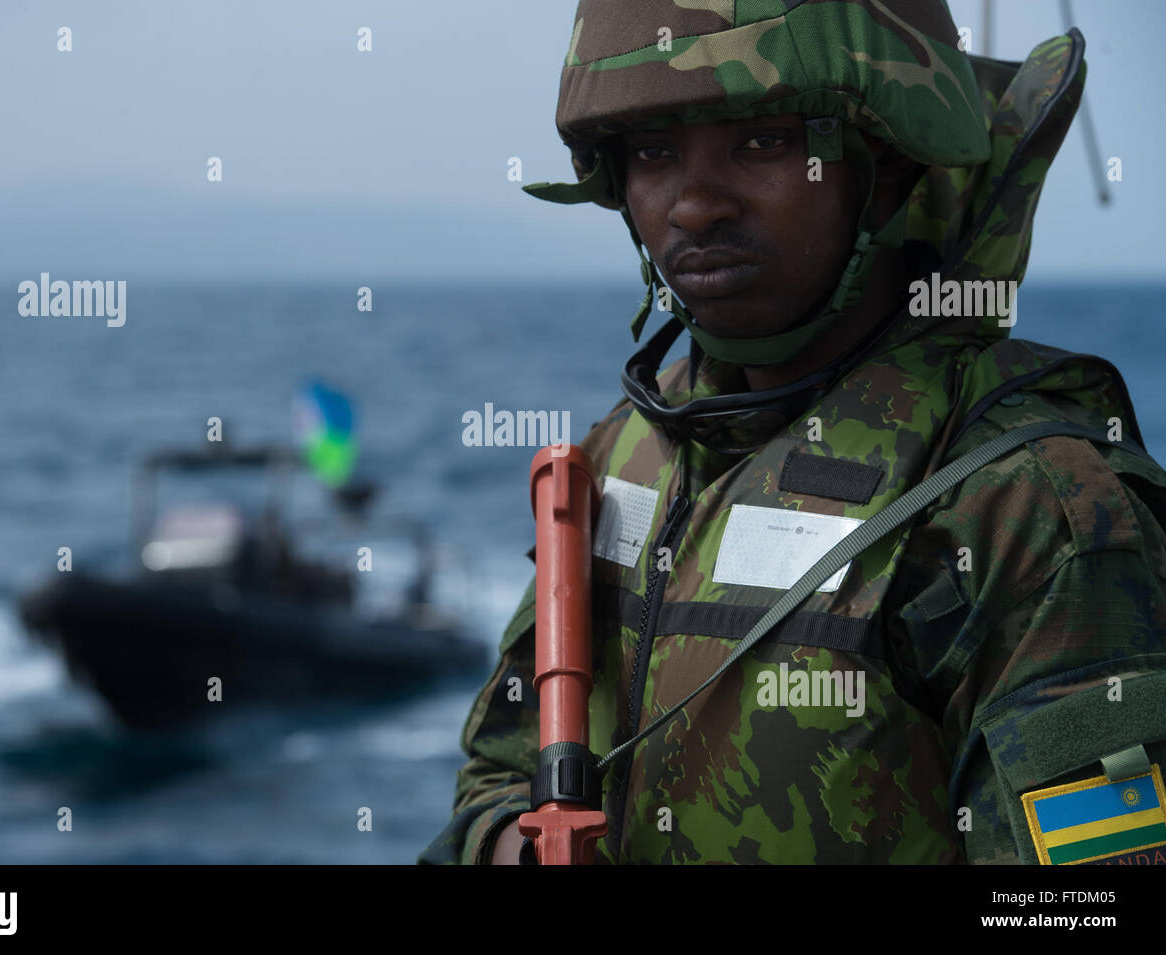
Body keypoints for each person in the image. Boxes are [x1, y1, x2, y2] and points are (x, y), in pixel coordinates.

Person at [421, 0, 1166, 865]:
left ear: (882, 166)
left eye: (764, 141)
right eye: (655, 152)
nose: (695, 205)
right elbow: (499, 770)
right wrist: (513, 843)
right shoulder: (622, 453)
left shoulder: (1025, 502)